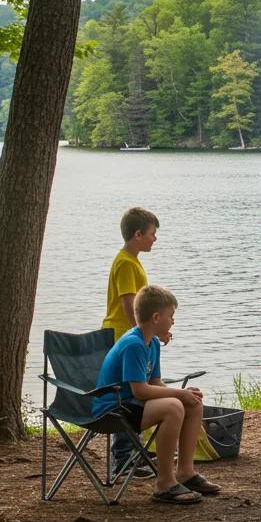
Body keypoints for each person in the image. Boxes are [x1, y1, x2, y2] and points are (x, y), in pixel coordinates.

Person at [92, 284, 219, 504]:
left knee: (193, 403)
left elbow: (155, 382)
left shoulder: (152, 343)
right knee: (173, 407)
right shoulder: (134, 344)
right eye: (171, 316)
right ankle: (164, 483)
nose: (173, 321)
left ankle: (185, 473)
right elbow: (139, 390)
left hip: (132, 404)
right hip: (114, 408)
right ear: (156, 317)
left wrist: (183, 393)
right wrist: (178, 396)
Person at [102, 206, 159, 480]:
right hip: (122, 336)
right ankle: (123, 458)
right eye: (152, 234)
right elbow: (129, 305)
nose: (154, 239)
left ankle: (133, 451)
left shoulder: (132, 260)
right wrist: (147, 332)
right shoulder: (126, 263)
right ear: (138, 234)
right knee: (128, 397)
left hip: (133, 335)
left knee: (137, 394)